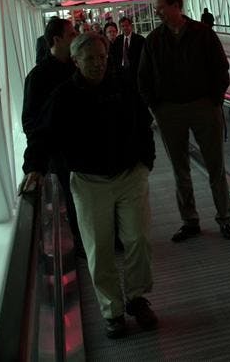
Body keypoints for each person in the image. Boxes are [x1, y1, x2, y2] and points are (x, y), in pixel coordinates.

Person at [21, 32, 158, 339]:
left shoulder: (122, 85)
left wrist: (145, 162)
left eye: (102, 57)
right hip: (88, 181)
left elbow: (143, 122)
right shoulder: (65, 96)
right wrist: (34, 168)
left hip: (129, 175)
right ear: (76, 61)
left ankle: (137, 297)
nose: (98, 64)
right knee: (99, 248)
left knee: (138, 239)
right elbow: (42, 134)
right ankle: (113, 310)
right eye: (90, 59)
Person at [138, 0, 230, 241]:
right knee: (179, 168)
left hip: (204, 106)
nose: (157, 12)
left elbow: (221, 69)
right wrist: (157, 108)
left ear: (176, 5)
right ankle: (190, 220)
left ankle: (225, 218)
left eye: (160, 7)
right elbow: (144, 78)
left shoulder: (202, 34)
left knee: (216, 165)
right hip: (170, 110)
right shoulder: (154, 40)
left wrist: (215, 101)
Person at [22, 17, 82, 252]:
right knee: (73, 196)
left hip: (84, 146)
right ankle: (82, 243)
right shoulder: (38, 77)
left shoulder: (77, 67)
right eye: (71, 35)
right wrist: (37, 161)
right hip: (61, 153)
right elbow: (31, 121)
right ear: (56, 40)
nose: (76, 37)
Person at [109, 16, 145, 91]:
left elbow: (142, 57)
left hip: (135, 72)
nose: (125, 28)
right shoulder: (118, 40)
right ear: (120, 28)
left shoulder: (140, 39)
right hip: (121, 72)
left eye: (127, 25)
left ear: (131, 26)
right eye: (122, 26)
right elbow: (116, 56)